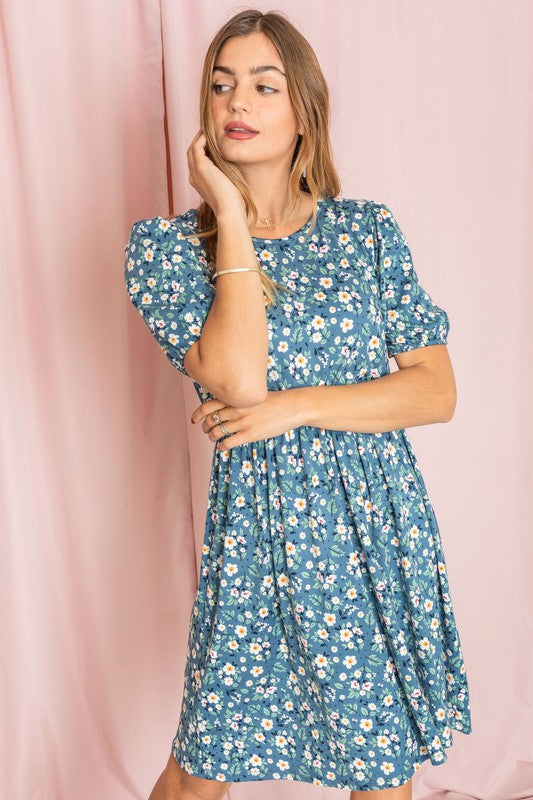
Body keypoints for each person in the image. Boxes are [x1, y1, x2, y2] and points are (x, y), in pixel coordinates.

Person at [123, 9, 472, 800]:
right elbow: (239, 380)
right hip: (258, 531)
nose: (235, 102)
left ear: (303, 110)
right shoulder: (168, 250)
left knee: (381, 765)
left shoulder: (367, 234)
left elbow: (434, 390)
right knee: (200, 767)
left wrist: (295, 408)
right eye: (220, 85)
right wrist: (231, 214)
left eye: (262, 85)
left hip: (373, 522)